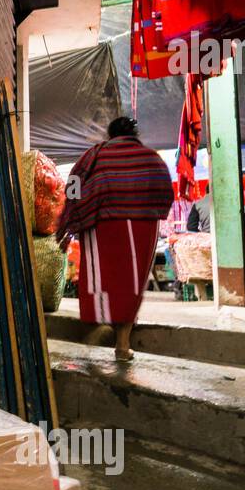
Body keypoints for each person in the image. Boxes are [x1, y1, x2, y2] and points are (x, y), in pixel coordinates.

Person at [57, 117, 175, 361]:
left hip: (102, 223)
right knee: (132, 284)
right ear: (134, 134)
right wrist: (152, 209)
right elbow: (165, 191)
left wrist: (74, 209)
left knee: (103, 276)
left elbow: (73, 182)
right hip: (143, 225)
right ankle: (122, 345)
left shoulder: (94, 155)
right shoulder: (151, 157)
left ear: (110, 135)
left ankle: (99, 323)